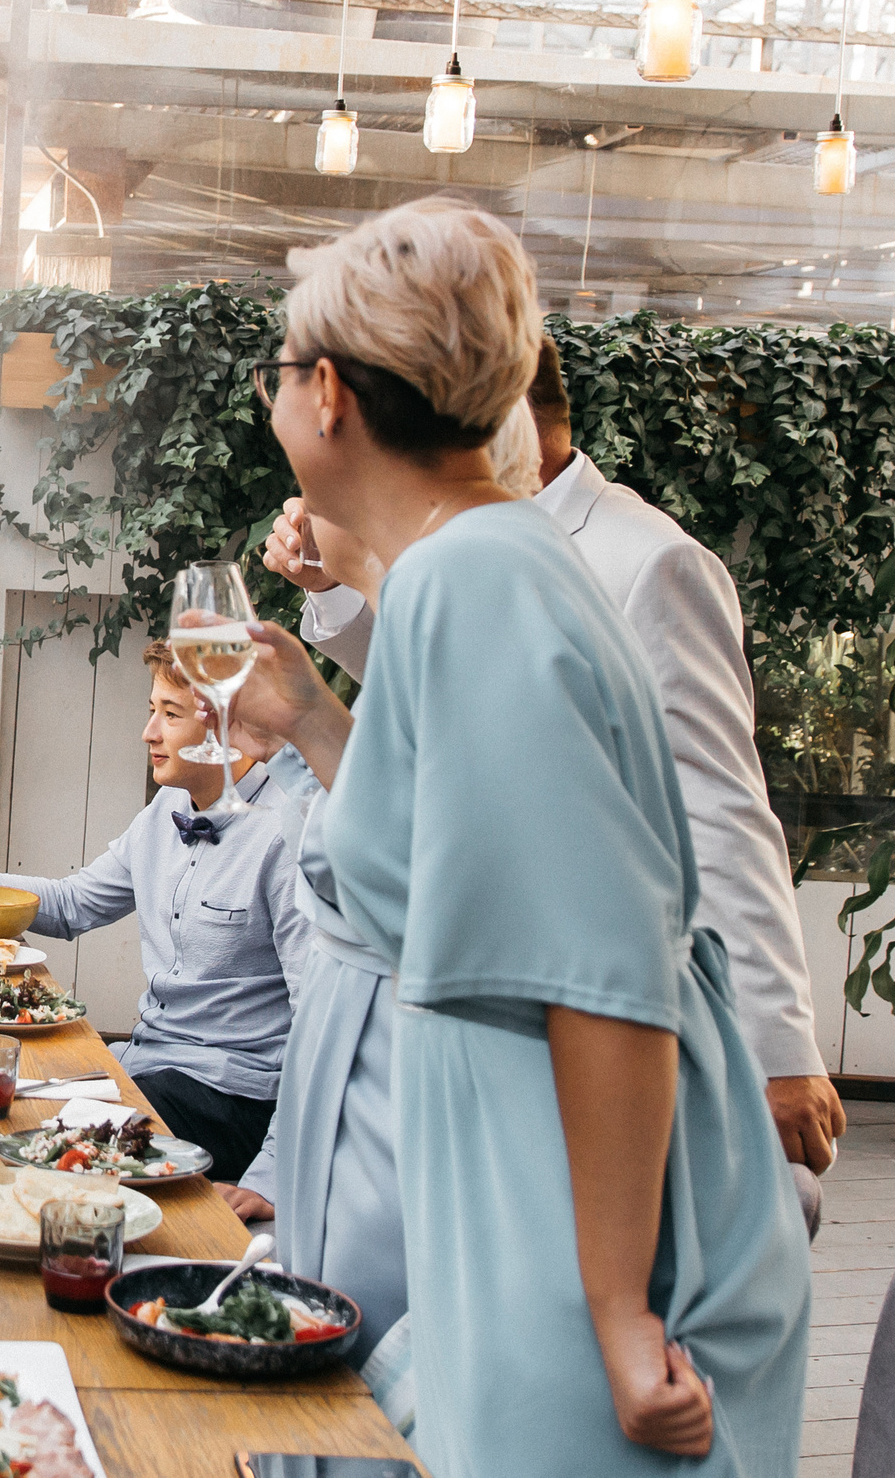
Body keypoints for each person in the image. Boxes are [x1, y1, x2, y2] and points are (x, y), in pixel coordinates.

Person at [256, 195, 808, 1476]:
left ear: (327, 395)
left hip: (568, 1211)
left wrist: (614, 1309)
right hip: (521, 1175)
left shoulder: (478, 580)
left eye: (276, 373)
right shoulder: (473, 563)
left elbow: (605, 971)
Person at [265, 331, 843, 1173]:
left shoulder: (649, 561)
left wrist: (779, 1049)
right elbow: (444, 703)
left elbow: (718, 808)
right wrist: (340, 587)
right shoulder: (465, 535)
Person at [221, 404, 548, 1361]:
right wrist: (310, 716)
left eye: (314, 488)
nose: (293, 511)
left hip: (420, 1070)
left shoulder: (487, 613)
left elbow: (470, 873)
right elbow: (407, 802)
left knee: (365, 1360)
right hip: (349, 1051)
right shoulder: (422, 616)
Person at [0, 640, 308, 1180]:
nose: (149, 732)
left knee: (41, 1148)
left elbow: (316, 1020)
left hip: (231, 1097)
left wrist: (272, 1178)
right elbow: (70, 903)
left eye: (170, 715)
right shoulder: (166, 810)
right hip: (146, 1063)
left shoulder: (286, 836)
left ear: (229, 724)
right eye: (151, 709)